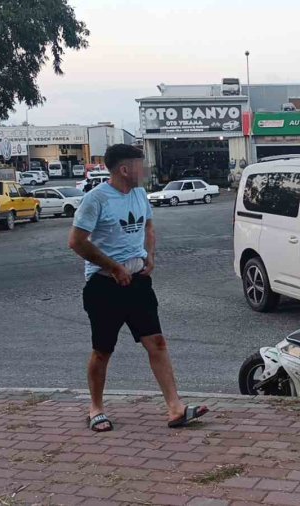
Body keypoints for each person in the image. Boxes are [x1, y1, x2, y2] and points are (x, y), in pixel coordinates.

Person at [68, 144, 207, 433]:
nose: (145, 170)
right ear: (124, 169)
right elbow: (77, 242)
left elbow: (149, 228)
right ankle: (96, 408)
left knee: (156, 342)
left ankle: (175, 408)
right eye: (140, 165)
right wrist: (114, 267)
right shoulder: (96, 200)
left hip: (138, 283)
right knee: (103, 350)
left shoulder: (140, 194)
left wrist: (150, 257)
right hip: (104, 286)